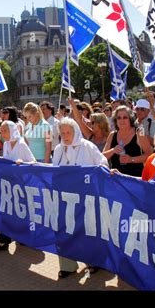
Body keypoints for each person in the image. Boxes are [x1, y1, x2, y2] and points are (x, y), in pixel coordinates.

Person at [52, 118, 108, 278]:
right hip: (65, 198)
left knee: (88, 228)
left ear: (75, 131)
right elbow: (54, 171)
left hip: (86, 197)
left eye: (68, 132)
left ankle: (93, 261)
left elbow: (103, 164)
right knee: (65, 228)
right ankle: (68, 266)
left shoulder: (87, 146)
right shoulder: (58, 149)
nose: (65, 135)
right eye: (62, 133)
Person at [0, 120, 36, 252]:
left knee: (20, 212)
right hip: (7, 184)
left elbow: (33, 162)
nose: (2, 133)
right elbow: (5, 161)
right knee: (6, 212)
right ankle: (4, 241)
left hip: (20, 185)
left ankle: (24, 237)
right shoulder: (7, 144)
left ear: (12, 130)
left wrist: (22, 163)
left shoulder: (21, 144)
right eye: (1, 131)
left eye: (4, 130)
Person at [103, 106, 152, 177]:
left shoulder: (139, 133)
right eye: (119, 118)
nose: (122, 120)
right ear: (115, 121)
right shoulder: (112, 135)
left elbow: (149, 155)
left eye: (125, 117)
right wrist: (113, 150)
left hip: (135, 180)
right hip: (116, 179)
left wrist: (131, 159)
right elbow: (102, 157)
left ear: (130, 119)